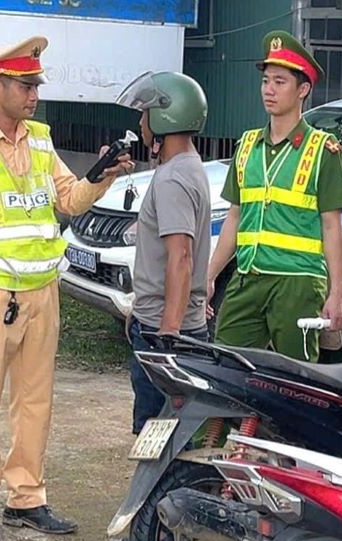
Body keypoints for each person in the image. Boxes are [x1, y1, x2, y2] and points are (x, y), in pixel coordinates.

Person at [0, 35, 133, 541]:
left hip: (43, 289)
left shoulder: (41, 141)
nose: (34, 95)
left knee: (35, 402)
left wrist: (102, 176)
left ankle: (26, 497)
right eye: (25, 86)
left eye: (36, 85)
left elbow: (68, 200)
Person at [206, 30, 342, 363]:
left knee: (295, 377)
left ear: (303, 90)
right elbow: (234, 217)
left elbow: (332, 226)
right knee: (226, 365)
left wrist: (337, 292)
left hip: (297, 283)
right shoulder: (246, 146)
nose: (269, 90)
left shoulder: (323, 151)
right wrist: (209, 276)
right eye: (266, 81)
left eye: (280, 82)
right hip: (248, 278)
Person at [113, 71, 211, 433]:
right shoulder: (189, 166)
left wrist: (167, 333)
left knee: (156, 433)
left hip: (163, 333)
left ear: (164, 117)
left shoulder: (172, 179)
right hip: (164, 321)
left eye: (145, 114)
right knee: (175, 432)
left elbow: (181, 257)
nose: (141, 123)